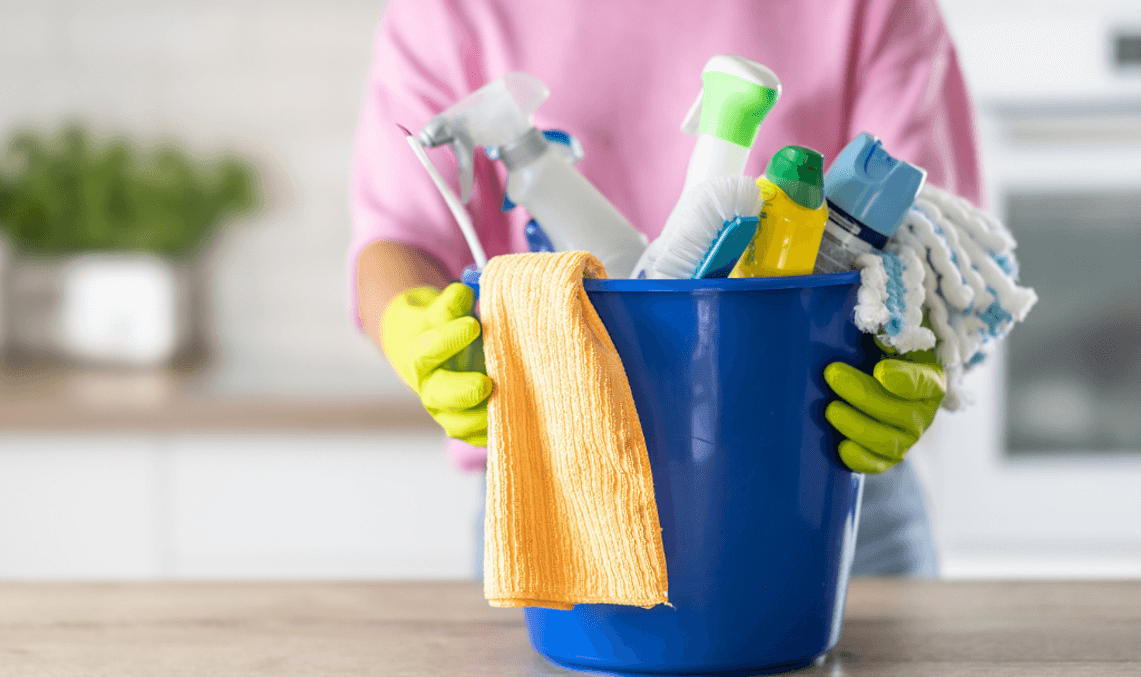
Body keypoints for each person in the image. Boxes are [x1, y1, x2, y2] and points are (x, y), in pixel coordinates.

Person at [350, 0, 981, 577]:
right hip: (561, 497)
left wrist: (917, 336)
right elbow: (400, 239)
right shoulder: (448, 9)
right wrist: (417, 322)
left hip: (822, 483)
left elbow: (938, 234)